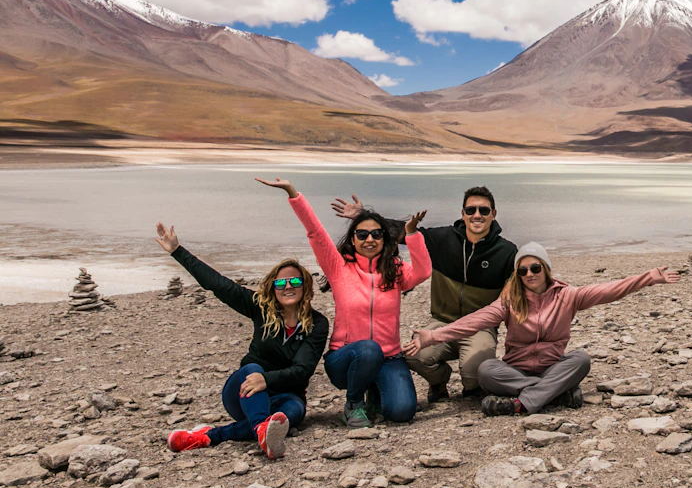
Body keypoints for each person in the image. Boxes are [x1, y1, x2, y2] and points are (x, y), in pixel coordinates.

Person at [401, 243, 681, 415]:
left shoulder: (568, 296)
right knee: (486, 369)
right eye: (522, 271)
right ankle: (555, 394)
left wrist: (647, 278)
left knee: (581, 359)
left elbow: (609, 290)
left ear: (546, 269)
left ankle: (521, 404)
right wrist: (435, 335)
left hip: (551, 366)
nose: (529, 274)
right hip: (516, 370)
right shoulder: (509, 301)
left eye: (535, 268)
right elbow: (476, 320)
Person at [257, 178, 431, 429]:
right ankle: (354, 404)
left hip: (389, 357)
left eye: (376, 234)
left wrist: (412, 234)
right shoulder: (339, 267)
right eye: (362, 234)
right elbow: (315, 232)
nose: (369, 239)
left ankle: (374, 390)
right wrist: (293, 194)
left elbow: (424, 270)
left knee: (401, 412)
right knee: (369, 349)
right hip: (346, 358)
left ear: (384, 239)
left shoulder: (395, 271)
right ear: (353, 239)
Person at [155, 222, 328, 459]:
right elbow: (218, 283)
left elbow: (303, 371)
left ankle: (207, 436)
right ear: (273, 288)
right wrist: (177, 251)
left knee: (294, 412)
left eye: (295, 281)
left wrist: (266, 379)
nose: (288, 286)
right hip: (243, 393)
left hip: (285, 396)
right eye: (281, 282)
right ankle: (261, 429)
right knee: (252, 369)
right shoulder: (260, 308)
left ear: (304, 286)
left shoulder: (317, 323)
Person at [333, 186, 516, 404]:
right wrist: (363, 218)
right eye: (471, 210)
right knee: (413, 354)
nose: (477, 215)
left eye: (484, 211)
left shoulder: (506, 251)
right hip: (441, 321)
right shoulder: (444, 239)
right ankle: (439, 381)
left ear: (493, 214)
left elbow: (519, 285)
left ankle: (471, 386)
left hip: (479, 327)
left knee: (474, 373)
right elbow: (404, 232)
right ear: (463, 213)